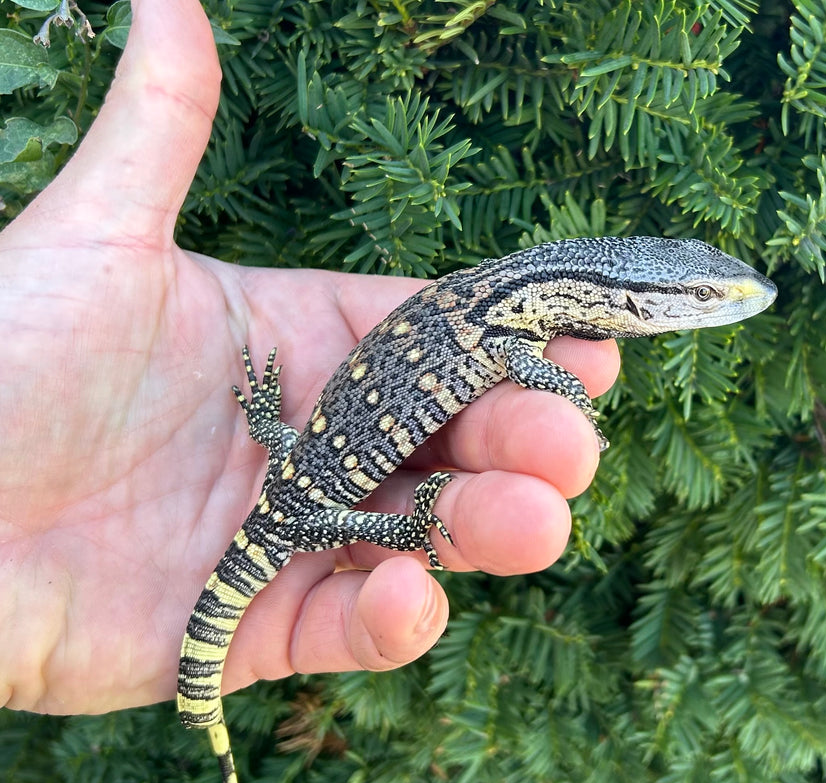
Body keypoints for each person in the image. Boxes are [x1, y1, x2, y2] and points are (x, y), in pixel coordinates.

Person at [0, 0, 619, 717]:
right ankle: (214, 734)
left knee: (378, 519)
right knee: (399, 530)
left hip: (297, 473)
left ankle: (214, 721)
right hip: (300, 500)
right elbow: (531, 367)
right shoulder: (509, 317)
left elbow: (530, 358)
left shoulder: (512, 301)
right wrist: (572, 400)